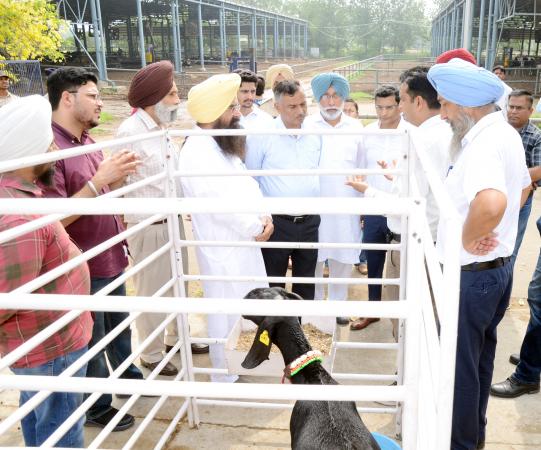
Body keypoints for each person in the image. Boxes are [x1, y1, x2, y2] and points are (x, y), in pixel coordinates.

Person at [427, 57, 531, 450]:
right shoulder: (502, 133)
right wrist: (498, 234)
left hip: (471, 276)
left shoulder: (483, 144)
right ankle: (474, 437)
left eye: (445, 105)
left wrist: (469, 237)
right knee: (479, 363)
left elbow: (490, 202)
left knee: (459, 373)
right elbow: (521, 189)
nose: (442, 115)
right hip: (494, 273)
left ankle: (460, 445)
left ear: (467, 106)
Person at [43, 67, 140, 431]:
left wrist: (112, 183)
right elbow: (51, 218)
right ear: (67, 98)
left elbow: (98, 196)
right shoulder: (51, 149)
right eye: (93, 96)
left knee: (118, 327)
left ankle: (127, 375)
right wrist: (100, 183)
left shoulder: (86, 142)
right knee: (93, 339)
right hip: (82, 264)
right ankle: (96, 406)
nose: (101, 103)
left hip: (109, 255)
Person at [0, 95, 93, 447]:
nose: (55, 148)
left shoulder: (18, 197)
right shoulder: (17, 216)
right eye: (48, 142)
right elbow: (5, 299)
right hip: (49, 346)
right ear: (32, 152)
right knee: (61, 429)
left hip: (48, 340)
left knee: (40, 414)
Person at [115, 60, 209, 377]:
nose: (177, 100)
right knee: (152, 291)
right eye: (171, 95)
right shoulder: (130, 133)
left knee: (177, 288)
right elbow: (118, 182)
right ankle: (153, 354)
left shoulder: (162, 131)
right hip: (149, 225)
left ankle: (176, 338)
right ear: (154, 98)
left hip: (172, 222)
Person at [180, 73, 273, 382]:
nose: (237, 113)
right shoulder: (196, 151)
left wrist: (265, 216)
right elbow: (216, 203)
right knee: (224, 311)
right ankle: (224, 374)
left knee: (242, 306)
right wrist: (254, 225)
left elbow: (247, 182)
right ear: (213, 113)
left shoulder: (221, 144)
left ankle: (239, 364)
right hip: (224, 245)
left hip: (245, 240)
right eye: (231, 108)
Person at [348, 68, 452, 337]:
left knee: (408, 323)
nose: (398, 109)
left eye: (402, 101)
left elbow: (403, 204)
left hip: (410, 239)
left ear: (417, 102)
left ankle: (407, 377)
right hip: (425, 238)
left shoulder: (420, 139)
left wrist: (367, 190)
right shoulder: (441, 134)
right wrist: (394, 175)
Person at [246, 80, 321, 301]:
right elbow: (252, 178)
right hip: (277, 224)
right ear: (277, 107)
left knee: (306, 282)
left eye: (303, 105)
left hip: (309, 221)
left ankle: (300, 330)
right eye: (292, 107)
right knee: (273, 283)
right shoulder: (262, 135)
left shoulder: (314, 132)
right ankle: (274, 332)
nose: (301, 111)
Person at [305, 73, 364, 325]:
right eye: (326, 96)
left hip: (346, 203)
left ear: (343, 98)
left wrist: (362, 207)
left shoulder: (356, 128)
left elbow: (362, 167)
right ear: (318, 99)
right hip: (315, 203)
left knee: (343, 256)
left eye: (336, 95)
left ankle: (338, 305)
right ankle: (317, 306)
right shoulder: (307, 125)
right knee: (314, 257)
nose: (331, 101)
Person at [349, 85, 409, 331]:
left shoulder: (410, 132)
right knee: (374, 262)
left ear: (400, 106)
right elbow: (361, 169)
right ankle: (373, 309)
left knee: (401, 264)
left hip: (399, 208)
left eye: (389, 107)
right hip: (374, 207)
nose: (383, 113)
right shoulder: (368, 132)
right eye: (379, 107)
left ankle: (403, 313)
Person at [505, 89, 541, 265]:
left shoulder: (536, 136)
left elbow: (540, 172)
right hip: (493, 193)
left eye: (519, 108)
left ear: (530, 111)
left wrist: (505, 175)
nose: (513, 111)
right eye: (511, 106)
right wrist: (526, 176)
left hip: (522, 199)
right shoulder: (497, 131)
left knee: (509, 250)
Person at [342, 97, 368, 275]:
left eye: (351, 110)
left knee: (359, 225)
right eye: (345, 111)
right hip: (340, 187)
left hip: (357, 187)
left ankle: (361, 259)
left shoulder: (361, 132)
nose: (347, 114)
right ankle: (329, 263)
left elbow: (364, 162)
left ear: (357, 114)